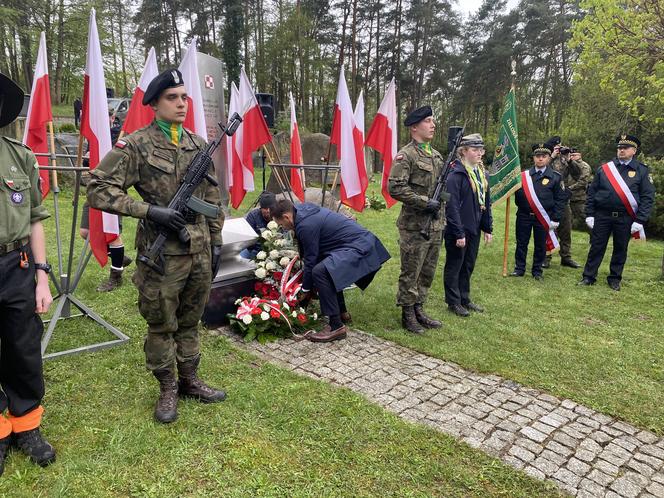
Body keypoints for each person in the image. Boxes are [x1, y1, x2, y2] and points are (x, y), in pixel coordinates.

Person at [87, 68, 226, 424]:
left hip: (197, 249)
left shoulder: (197, 144)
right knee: (162, 323)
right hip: (162, 253)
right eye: (172, 98)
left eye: (184, 97)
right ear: (153, 104)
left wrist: (216, 241)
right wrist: (149, 210)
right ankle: (167, 387)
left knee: (190, 321)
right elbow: (99, 188)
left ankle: (190, 380)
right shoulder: (136, 144)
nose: (181, 104)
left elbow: (212, 197)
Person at [0, 72, 55, 475]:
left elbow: (35, 218)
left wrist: (41, 275)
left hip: (16, 265)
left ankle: (27, 425)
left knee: (23, 346)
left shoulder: (19, 156)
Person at [271, 199, 390, 342]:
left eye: (281, 225)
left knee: (320, 271)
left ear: (286, 217)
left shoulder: (305, 224)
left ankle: (336, 327)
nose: (283, 228)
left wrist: (305, 289)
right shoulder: (302, 211)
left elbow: (311, 260)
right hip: (359, 242)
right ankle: (341, 313)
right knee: (327, 268)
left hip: (359, 246)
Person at [388, 105, 445, 334]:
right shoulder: (406, 155)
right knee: (411, 270)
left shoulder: (437, 155)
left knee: (427, 271)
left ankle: (419, 307)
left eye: (433, 120)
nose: (433, 125)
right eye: (428, 121)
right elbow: (395, 187)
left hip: (435, 224)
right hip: (413, 226)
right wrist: (424, 202)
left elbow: (442, 190)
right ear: (414, 127)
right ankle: (407, 313)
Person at [579, 135, 655, 291]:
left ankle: (614, 278)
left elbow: (647, 198)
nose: (621, 150)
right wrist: (590, 214)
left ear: (633, 151)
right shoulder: (605, 169)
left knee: (620, 248)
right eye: (619, 147)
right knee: (596, 247)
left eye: (625, 148)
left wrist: (640, 220)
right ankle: (588, 276)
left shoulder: (641, 170)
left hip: (625, 217)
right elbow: (592, 193)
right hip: (602, 215)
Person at [79, 112, 132, 292]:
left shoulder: (120, 134)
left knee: (111, 233)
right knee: (86, 231)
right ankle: (120, 257)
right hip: (95, 189)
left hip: (112, 190)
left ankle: (115, 277)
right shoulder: (95, 134)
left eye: (107, 117)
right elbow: (90, 161)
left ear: (111, 117)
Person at [443, 133, 493, 317]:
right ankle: (453, 301)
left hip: (475, 227)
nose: (480, 153)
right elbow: (451, 205)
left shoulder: (482, 173)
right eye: (475, 149)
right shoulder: (455, 174)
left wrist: (487, 228)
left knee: (468, 264)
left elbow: (486, 203)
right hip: (458, 229)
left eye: (481, 149)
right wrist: (458, 233)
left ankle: (464, 297)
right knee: (455, 264)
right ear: (463, 152)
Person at [510, 143, 567, 280]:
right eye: (537, 156)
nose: (540, 159)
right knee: (521, 242)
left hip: (543, 217)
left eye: (544, 156)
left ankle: (537, 271)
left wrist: (556, 218)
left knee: (540, 245)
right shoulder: (523, 176)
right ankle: (519, 269)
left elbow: (560, 200)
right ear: (533, 158)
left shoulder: (555, 177)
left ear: (549, 158)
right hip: (524, 215)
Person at [543, 137, 580, 269]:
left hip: (562, 198)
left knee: (565, 229)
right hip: (548, 198)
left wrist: (569, 160)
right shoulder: (546, 157)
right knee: (548, 228)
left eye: (560, 146)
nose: (559, 148)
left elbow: (577, 174)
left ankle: (566, 257)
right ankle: (546, 257)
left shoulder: (565, 159)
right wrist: (552, 156)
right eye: (557, 146)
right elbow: (541, 169)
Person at [240, 191, 276, 259]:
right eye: (265, 208)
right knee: (240, 258)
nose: (268, 210)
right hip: (256, 250)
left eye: (270, 208)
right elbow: (248, 240)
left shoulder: (278, 215)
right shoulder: (253, 216)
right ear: (261, 208)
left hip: (275, 251)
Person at [567, 148, 593, 231]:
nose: (572, 157)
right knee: (566, 220)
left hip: (579, 197)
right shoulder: (568, 165)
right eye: (571, 155)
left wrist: (570, 188)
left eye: (574, 155)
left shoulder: (584, 166)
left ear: (580, 155)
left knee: (585, 219)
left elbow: (583, 182)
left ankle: (595, 237)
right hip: (567, 197)